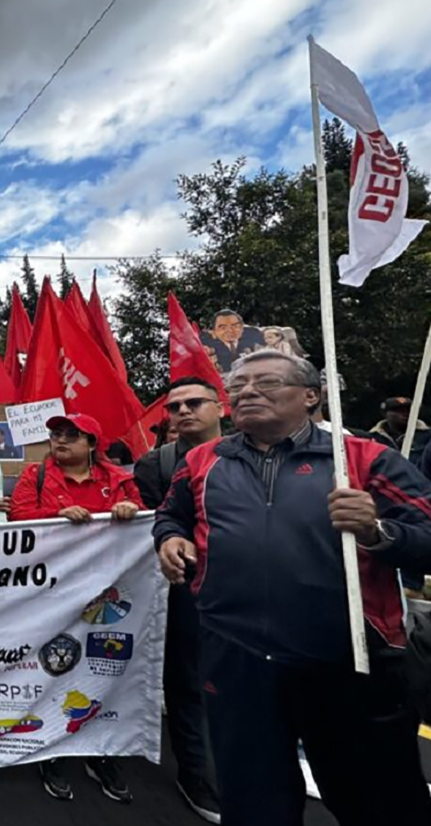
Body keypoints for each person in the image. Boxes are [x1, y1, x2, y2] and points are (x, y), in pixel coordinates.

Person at [154, 351, 431, 826]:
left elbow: (424, 536)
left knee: (379, 802)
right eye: (238, 386)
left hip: (348, 663)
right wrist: (171, 538)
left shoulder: (364, 459)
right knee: (254, 803)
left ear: (310, 397)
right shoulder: (201, 461)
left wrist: (377, 533)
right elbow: (172, 513)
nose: (247, 392)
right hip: (236, 663)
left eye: (265, 382)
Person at [8, 413, 142, 804]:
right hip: (51, 593)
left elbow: (143, 512)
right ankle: (51, 750)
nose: (60, 440)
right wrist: (55, 516)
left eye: (71, 434)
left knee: (102, 669)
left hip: (107, 597)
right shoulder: (35, 476)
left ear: (92, 443)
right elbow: (17, 517)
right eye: (55, 434)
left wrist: (130, 510)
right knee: (52, 666)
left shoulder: (119, 480)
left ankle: (98, 751)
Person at [131, 377, 222, 823]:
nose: (183, 412)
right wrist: (170, 535)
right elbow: (157, 519)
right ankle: (196, 776)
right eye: (174, 407)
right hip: (187, 589)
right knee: (188, 683)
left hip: (250, 592)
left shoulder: (254, 452)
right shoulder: (157, 464)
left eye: (194, 403)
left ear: (220, 407)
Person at [372, 396, 431, 465]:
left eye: (409, 410)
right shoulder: (372, 439)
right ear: (385, 414)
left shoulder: (428, 436)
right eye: (399, 411)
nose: (406, 414)